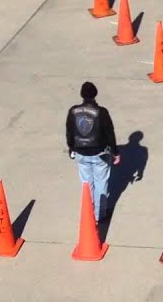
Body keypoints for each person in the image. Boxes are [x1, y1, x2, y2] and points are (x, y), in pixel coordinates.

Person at [66, 81, 120, 224]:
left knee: (86, 183)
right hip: (99, 153)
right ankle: (99, 214)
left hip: (81, 153)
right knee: (101, 182)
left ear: (81, 95)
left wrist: (71, 148)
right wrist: (115, 152)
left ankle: (88, 212)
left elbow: (69, 132)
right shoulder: (101, 112)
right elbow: (109, 133)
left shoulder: (73, 111)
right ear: (95, 94)